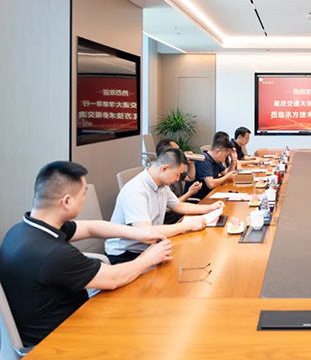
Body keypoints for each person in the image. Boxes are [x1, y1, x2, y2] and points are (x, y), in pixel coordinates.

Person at [0, 161, 173, 347]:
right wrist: (149, 257)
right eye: (83, 194)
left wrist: (138, 233)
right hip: (59, 341)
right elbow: (114, 278)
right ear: (67, 201)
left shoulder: (21, 231)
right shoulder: (54, 254)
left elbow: (90, 228)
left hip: (45, 326)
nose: (84, 199)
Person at [105, 148, 224, 264]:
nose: (178, 179)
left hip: (150, 245)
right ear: (165, 168)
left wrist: (210, 208)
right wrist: (187, 226)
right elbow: (146, 231)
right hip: (126, 254)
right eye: (177, 174)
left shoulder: (162, 185)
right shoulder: (135, 191)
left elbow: (179, 206)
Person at [156, 139, 203, 224]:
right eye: (177, 150)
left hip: (180, 215)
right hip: (172, 220)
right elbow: (171, 207)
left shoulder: (173, 171)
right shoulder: (164, 179)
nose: (178, 179)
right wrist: (190, 193)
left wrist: (190, 163)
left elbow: (191, 177)